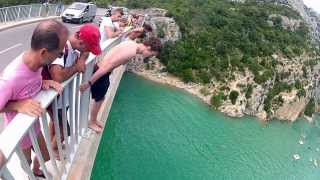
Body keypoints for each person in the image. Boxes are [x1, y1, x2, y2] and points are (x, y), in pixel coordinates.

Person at [0, 20, 67, 178]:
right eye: (59, 53)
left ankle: (36, 171)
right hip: (20, 131)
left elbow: (30, 82)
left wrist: (44, 82)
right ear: (44, 52)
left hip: (34, 126)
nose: (60, 56)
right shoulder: (11, 78)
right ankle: (31, 173)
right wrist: (17, 105)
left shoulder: (37, 64)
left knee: (46, 156)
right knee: (27, 162)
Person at [80, 37, 162, 133]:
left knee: (101, 98)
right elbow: (107, 66)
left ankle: (94, 120)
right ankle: (92, 122)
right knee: (99, 99)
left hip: (100, 69)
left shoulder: (131, 43)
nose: (149, 56)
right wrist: (89, 82)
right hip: (101, 72)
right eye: (151, 54)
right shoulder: (131, 52)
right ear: (148, 47)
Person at [46, 23, 101, 158]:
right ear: (80, 40)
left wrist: (82, 58)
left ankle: (53, 143)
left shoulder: (75, 48)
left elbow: (86, 52)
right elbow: (57, 76)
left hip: (62, 99)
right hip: (56, 100)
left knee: (56, 123)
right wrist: (77, 67)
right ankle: (52, 150)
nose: (88, 50)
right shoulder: (61, 49)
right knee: (66, 131)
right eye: (88, 46)